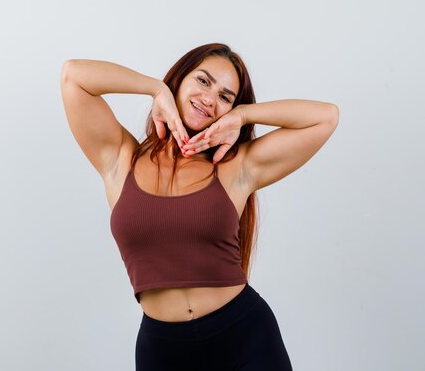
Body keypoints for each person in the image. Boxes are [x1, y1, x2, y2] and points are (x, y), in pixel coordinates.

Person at [60, 43, 339, 371]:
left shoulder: (237, 167)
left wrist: (244, 114)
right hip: (163, 351)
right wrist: (154, 89)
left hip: (244, 340)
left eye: (226, 96)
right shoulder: (121, 159)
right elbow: (73, 76)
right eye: (203, 81)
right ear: (179, 81)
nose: (210, 98)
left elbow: (325, 117)